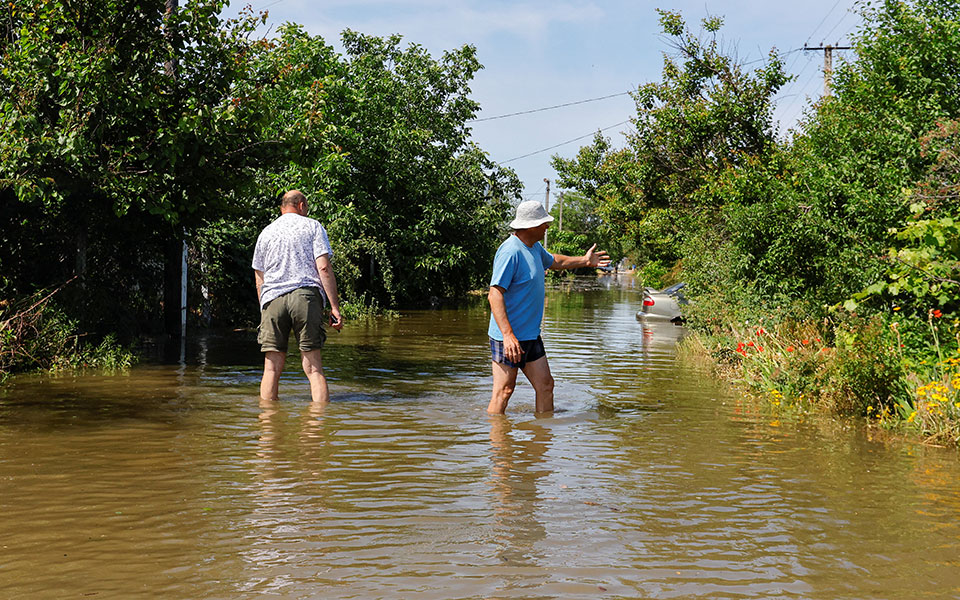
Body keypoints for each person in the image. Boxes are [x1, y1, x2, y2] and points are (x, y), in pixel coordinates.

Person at [487, 200, 610, 414]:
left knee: (545, 386)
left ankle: (542, 440)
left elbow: (556, 262)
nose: (547, 227)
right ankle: (499, 445)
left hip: (531, 335)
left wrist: (585, 261)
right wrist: (507, 335)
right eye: (544, 223)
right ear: (531, 225)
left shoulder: (534, 248)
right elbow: (494, 294)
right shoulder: (510, 251)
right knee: (504, 391)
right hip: (508, 337)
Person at [252, 189, 343, 404]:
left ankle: (268, 428)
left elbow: (259, 277)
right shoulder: (312, 226)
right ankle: (318, 428)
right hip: (305, 297)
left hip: (272, 299)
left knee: (271, 368)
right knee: (313, 368)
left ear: (282, 207)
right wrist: (335, 307)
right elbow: (324, 268)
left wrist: (264, 309)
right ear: (301, 205)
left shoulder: (266, 232)